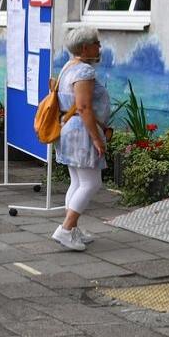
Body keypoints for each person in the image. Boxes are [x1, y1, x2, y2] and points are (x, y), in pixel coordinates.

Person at [53, 27, 110, 251]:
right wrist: (96, 139)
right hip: (81, 132)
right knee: (91, 182)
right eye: (96, 43)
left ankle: (72, 228)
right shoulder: (84, 71)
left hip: (69, 128)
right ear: (85, 47)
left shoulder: (69, 66)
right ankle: (66, 229)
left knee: (77, 182)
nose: (100, 46)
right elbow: (84, 107)